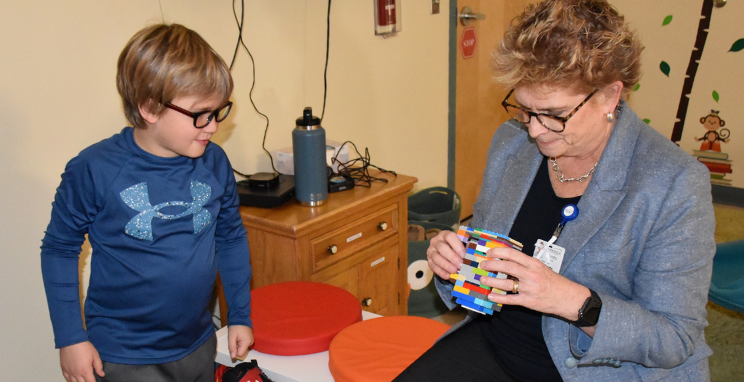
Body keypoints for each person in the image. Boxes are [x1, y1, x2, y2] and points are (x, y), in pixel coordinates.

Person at [394, 1, 715, 381]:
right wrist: (455, 265)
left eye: (556, 115)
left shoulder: (673, 182)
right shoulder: (511, 145)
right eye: (525, 109)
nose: (534, 130)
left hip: (598, 371)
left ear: (610, 97)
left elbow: (673, 338)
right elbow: (484, 255)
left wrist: (567, 300)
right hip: (497, 345)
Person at [40, 24, 253, 382]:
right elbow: (59, 250)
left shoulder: (214, 163)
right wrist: (70, 338)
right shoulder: (95, 170)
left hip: (197, 344)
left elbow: (230, 238)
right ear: (150, 107)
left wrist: (240, 315)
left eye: (219, 111)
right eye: (201, 113)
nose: (213, 126)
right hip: (123, 356)